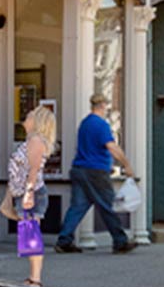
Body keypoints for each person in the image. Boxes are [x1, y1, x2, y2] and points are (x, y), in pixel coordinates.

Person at [56, 93, 135, 254]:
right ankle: (120, 241)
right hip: (96, 172)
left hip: (79, 169)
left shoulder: (84, 123)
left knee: (77, 207)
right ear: (103, 105)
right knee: (108, 205)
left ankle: (64, 240)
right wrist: (126, 165)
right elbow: (112, 147)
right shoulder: (101, 125)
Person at [2, 103, 57, 285]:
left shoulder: (35, 141)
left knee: (32, 236)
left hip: (32, 193)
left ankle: (35, 279)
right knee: (29, 235)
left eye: (30, 115)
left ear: (37, 121)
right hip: (24, 192)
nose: (26, 117)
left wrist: (28, 193)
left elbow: (33, 170)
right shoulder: (31, 141)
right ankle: (33, 278)